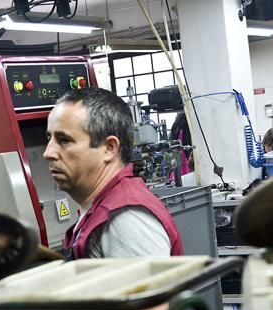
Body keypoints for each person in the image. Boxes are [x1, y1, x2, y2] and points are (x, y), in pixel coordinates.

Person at [44, 87, 183, 259]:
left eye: (64, 140)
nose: (48, 153)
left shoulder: (126, 221)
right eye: (49, 139)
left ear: (109, 148)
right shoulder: (102, 208)